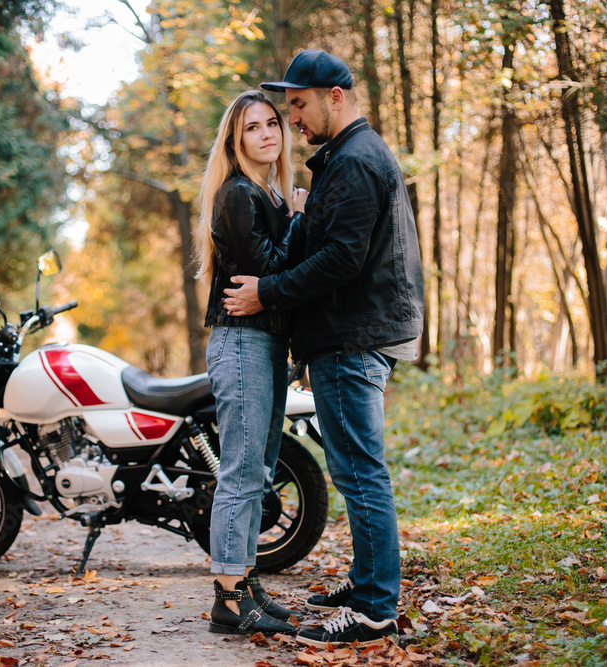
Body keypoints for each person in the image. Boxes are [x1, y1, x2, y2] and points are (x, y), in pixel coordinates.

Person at [222, 50, 425, 648]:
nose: (295, 120)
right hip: (348, 335)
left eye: (301, 105)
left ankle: (373, 612)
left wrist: (268, 293)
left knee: (361, 475)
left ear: (335, 96)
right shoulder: (349, 158)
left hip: (352, 338)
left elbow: (341, 260)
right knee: (355, 471)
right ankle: (367, 585)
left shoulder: (357, 161)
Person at [194, 89, 308, 636]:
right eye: (252, 128)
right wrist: (301, 219)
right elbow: (272, 268)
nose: (267, 133)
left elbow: (276, 279)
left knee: (258, 469)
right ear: (235, 141)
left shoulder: (267, 194)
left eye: (272, 124)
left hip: (263, 343)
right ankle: (228, 598)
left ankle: (247, 581)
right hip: (241, 343)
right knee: (241, 472)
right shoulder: (240, 194)